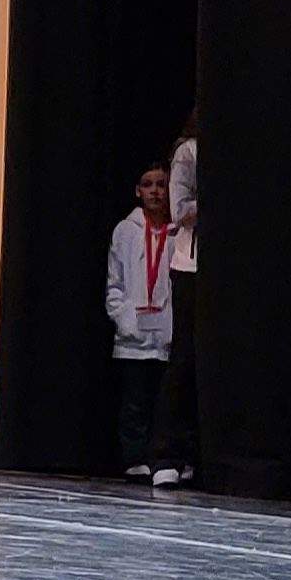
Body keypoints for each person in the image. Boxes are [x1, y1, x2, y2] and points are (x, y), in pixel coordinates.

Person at [102, 166, 180, 484]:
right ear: (138, 191)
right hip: (133, 334)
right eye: (148, 185)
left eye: (161, 185)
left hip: (166, 333)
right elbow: (115, 283)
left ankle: (164, 459)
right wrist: (126, 320)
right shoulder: (126, 230)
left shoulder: (177, 232)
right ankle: (134, 459)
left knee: (165, 402)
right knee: (134, 402)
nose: (155, 191)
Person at [154, 111, 201, 483]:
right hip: (191, 267)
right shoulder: (189, 152)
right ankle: (167, 455)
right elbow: (180, 209)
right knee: (184, 358)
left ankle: (197, 453)